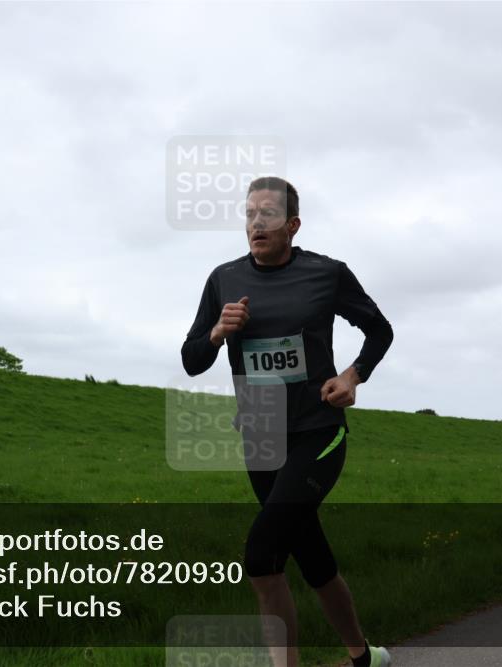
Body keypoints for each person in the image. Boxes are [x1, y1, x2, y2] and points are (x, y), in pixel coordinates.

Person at [181, 177, 394, 667]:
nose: (256, 222)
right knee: (313, 559)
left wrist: (353, 376)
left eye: (268, 214)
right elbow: (193, 359)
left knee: (261, 556)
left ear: (292, 225)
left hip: (318, 431)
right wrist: (216, 332)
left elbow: (379, 329)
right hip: (259, 436)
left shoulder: (327, 274)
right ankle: (364, 657)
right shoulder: (223, 279)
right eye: (250, 213)